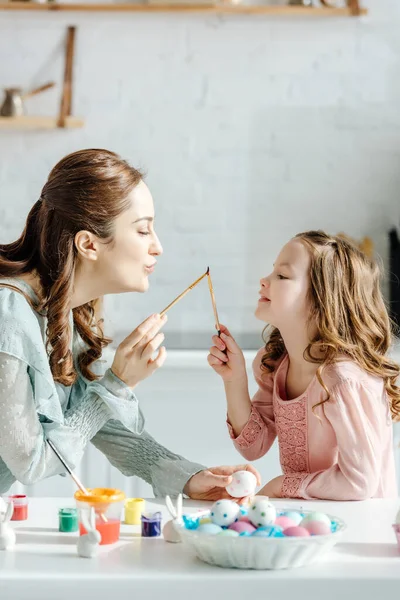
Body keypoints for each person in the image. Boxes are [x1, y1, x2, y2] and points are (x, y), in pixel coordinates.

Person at [0, 148, 260, 500]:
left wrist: (191, 478)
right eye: (143, 231)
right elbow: (33, 463)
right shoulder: (8, 315)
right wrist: (117, 383)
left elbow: (98, 420)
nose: (158, 247)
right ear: (89, 244)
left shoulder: (61, 310)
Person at [208, 230, 399, 500]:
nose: (264, 280)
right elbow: (254, 446)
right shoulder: (276, 364)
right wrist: (234, 379)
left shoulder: (343, 379)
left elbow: (359, 483)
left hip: (360, 528)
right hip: (311, 519)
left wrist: (282, 486)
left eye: (282, 276)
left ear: (322, 300)